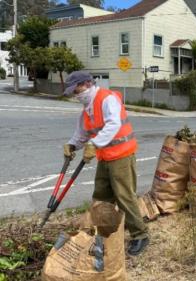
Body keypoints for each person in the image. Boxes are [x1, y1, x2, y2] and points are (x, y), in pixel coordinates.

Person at [62, 71, 149, 256]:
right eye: (73, 93)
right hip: (105, 157)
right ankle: (102, 234)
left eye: (77, 90)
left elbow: (113, 124)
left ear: (87, 84)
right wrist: (72, 145)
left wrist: (94, 144)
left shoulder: (107, 98)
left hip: (122, 155)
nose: (76, 95)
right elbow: (82, 133)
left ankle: (140, 235)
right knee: (101, 196)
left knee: (124, 196)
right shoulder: (87, 109)